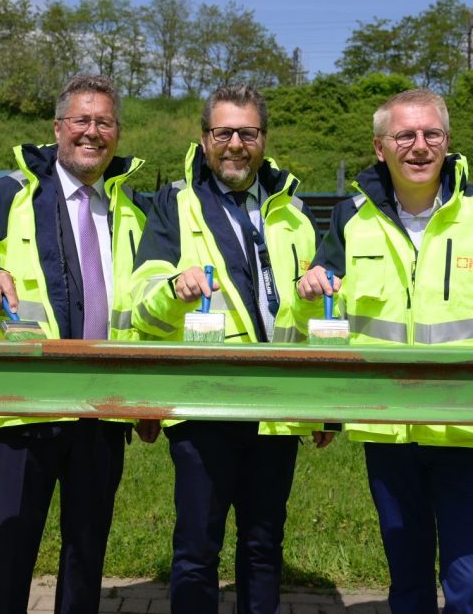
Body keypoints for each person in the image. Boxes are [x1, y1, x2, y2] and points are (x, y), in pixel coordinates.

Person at [296, 88, 473, 614]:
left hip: (470, 428)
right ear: (379, 147)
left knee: (469, 588)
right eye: (404, 135)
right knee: (407, 586)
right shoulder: (350, 219)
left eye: (431, 134)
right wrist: (309, 295)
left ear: (447, 142)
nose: (419, 146)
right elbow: (326, 322)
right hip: (388, 430)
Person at [0, 74, 154, 614]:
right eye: (80, 121)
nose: (91, 132)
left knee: (87, 556)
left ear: (117, 132)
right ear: (58, 128)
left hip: (102, 410)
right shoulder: (5, 196)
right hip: (22, 407)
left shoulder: (134, 210)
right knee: (10, 555)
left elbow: (147, 309)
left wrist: (148, 398)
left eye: (103, 122)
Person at [130, 84, 334, 614]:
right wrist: (176, 290)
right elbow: (141, 303)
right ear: (204, 139)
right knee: (197, 550)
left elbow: (316, 314)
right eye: (224, 133)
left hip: (277, 407)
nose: (236, 144)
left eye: (248, 132)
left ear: (264, 139)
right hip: (205, 406)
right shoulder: (173, 205)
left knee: (264, 548)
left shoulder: (292, 211)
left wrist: (325, 404)